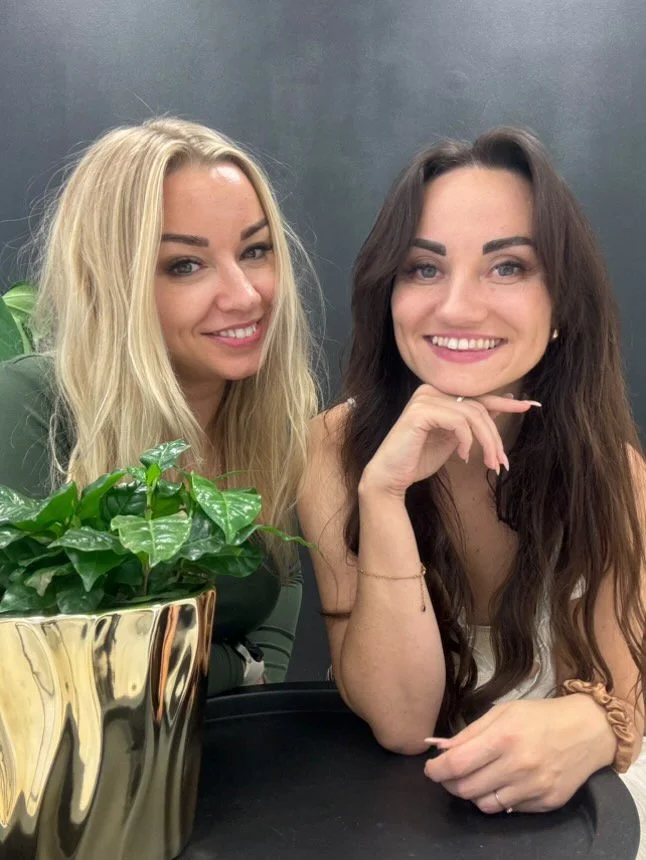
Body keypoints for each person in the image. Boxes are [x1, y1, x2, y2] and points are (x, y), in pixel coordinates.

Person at [298, 127, 646, 849]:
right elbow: (400, 722)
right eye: (423, 269)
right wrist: (383, 497)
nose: (456, 307)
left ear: (562, 303)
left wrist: (592, 725)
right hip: (411, 811)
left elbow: (628, 692)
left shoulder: (618, 475)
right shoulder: (333, 449)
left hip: (591, 808)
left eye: (508, 267)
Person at [0, 116, 319, 694]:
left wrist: (244, 673)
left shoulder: (269, 417)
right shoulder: (28, 408)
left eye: (255, 250)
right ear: (111, 283)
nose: (246, 295)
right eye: (185, 265)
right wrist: (234, 668)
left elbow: (277, 594)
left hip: (224, 760)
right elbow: (46, 669)